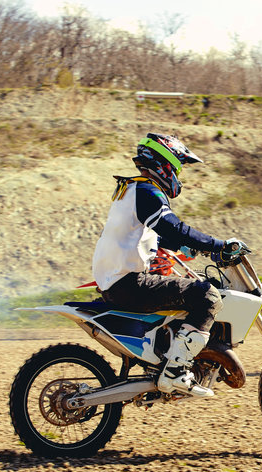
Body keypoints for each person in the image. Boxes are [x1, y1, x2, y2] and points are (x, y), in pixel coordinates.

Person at [92, 133, 244, 398]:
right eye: (177, 168)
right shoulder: (147, 191)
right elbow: (174, 226)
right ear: (164, 164)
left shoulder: (130, 189)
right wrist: (218, 245)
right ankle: (174, 371)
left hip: (116, 281)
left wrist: (184, 246)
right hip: (129, 283)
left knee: (188, 291)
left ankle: (167, 359)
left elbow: (150, 233)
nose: (177, 174)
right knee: (207, 295)